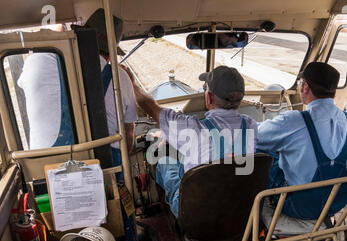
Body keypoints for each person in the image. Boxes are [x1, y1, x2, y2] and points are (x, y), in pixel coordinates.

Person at [132, 66, 258, 217]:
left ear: (209, 97)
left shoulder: (192, 128)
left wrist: (131, 81)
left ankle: (163, 210)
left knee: (165, 161)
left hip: (196, 216)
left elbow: (150, 107)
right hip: (238, 211)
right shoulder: (251, 126)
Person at [256, 62, 347, 232]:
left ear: (305, 87)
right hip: (335, 202)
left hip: (299, 207)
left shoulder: (294, 120)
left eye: (300, 83)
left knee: (261, 151)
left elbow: (255, 136)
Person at [74, 8, 137, 183]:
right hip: (110, 159)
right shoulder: (120, 76)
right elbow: (129, 131)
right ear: (110, 53)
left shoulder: (62, 65)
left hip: (69, 159)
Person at [17, 24, 74, 150]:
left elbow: (20, 83)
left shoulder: (32, 62)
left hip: (38, 147)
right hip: (65, 144)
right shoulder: (64, 60)